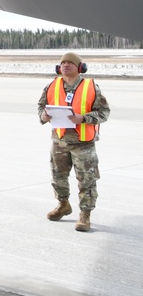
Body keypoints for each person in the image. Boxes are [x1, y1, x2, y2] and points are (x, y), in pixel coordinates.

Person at [37, 51, 110, 232]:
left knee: (86, 180)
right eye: (63, 63)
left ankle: (85, 215)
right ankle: (63, 204)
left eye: (70, 63)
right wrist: (43, 115)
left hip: (83, 143)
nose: (65, 65)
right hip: (59, 141)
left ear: (80, 67)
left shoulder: (91, 87)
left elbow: (104, 112)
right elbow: (41, 105)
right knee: (58, 177)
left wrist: (83, 118)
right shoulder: (52, 86)